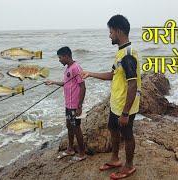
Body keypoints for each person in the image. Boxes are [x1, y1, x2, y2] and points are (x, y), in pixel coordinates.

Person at [81, 15, 141, 179]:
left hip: (125, 106)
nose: (109, 35)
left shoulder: (128, 55)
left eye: (111, 31)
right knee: (113, 129)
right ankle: (115, 159)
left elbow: (133, 85)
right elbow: (112, 75)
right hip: (116, 103)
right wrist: (90, 73)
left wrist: (126, 113)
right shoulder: (120, 53)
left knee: (127, 134)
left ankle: (129, 165)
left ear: (119, 31)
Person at [45, 46, 87, 162]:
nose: (59, 60)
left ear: (66, 56)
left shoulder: (76, 68)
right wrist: (52, 82)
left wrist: (79, 106)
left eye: (60, 58)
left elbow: (83, 86)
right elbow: (66, 83)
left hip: (75, 106)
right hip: (68, 105)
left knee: (76, 128)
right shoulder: (68, 68)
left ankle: (82, 153)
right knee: (69, 126)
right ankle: (70, 149)